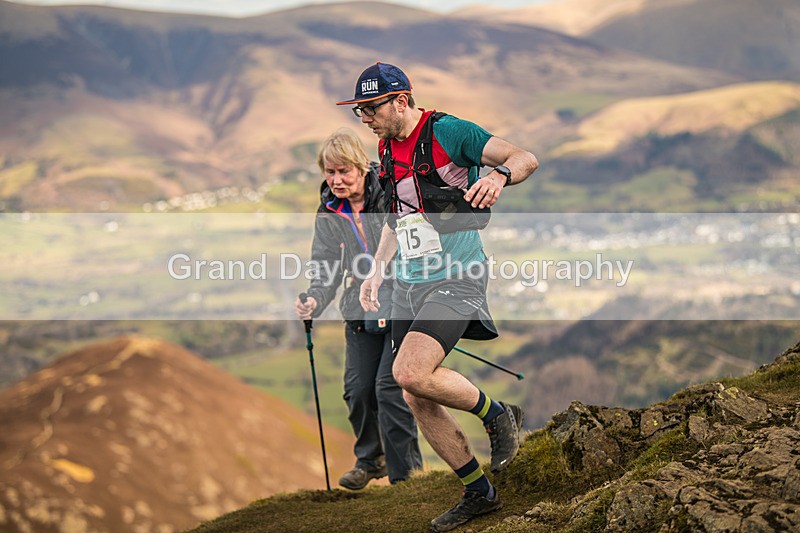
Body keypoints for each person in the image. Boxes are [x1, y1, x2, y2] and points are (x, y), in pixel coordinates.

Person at [337, 62, 539, 532]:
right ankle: (478, 492)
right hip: (407, 282)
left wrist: (499, 177)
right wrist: (376, 272)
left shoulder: (449, 132)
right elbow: (396, 220)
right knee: (413, 393)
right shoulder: (386, 148)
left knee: (408, 371)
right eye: (359, 111)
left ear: (401, 101)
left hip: (458, 277)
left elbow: (525, 157)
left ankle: (498, 413)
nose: (364, 118)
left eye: (370, 108)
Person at [295, 127, 423, 490]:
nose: (336, 180)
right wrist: (315, 299)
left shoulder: (388, 194)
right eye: (329, 172)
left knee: (389, 388)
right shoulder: (330, 210)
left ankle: (408, 478)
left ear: (361, 168)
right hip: (358, 308)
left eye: (343, 171)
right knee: (357, 389)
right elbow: (324, 264)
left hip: (401, 300)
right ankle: (372, 459)